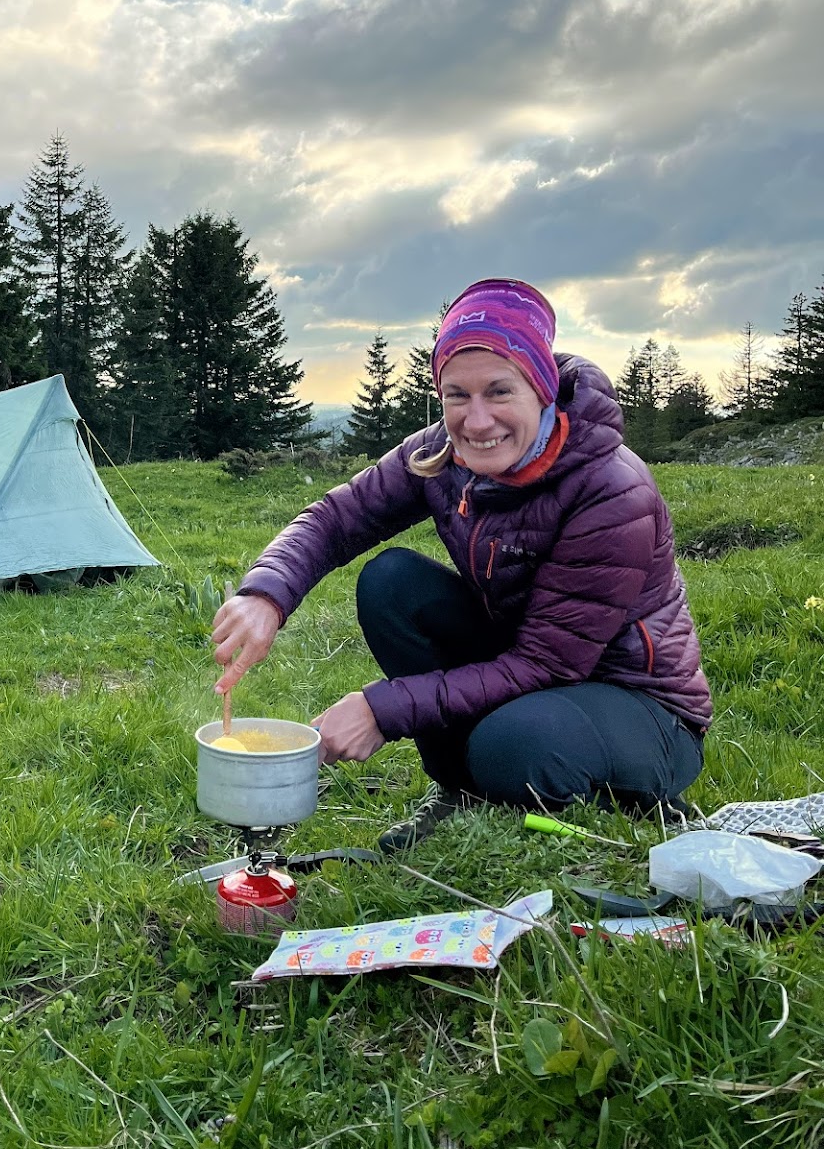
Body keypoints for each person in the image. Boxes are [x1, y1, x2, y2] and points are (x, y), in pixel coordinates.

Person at [211, 278, 711, 852]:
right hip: (529, 663)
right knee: (391, 581)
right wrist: (265, 597)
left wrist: (383, 709)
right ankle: (461, 789)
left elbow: (548, 663)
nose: (476, 422)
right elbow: (335, 520)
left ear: (542, 390)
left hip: (641, 707)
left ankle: (616, 797)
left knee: (510, 745)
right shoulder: (439, 454)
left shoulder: (612, 491)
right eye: (456, 395)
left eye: (499, 391)